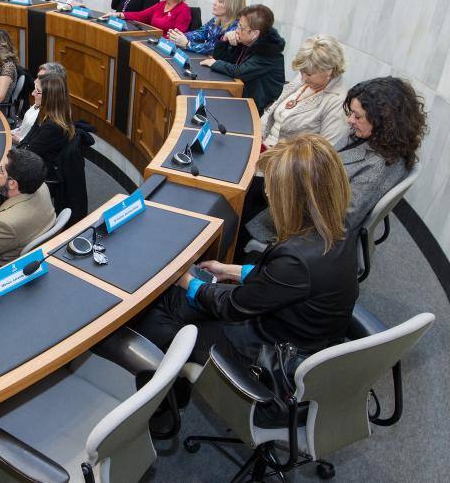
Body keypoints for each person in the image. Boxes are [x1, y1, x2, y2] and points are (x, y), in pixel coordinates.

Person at [138, 134, 359, 369]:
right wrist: (231, 271)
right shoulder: (339, 226)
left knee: (154, 318)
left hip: (268, 350)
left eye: (272, 189)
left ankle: (170, 391)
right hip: (298, 329)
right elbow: (284, 283)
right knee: (184, 298)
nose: (268, 195)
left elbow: (233, 307)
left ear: (293, 199)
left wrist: (186, 280)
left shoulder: (295, 259)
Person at [246, 77, 428, 244]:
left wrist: (291, 189)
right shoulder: (369, 136)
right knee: (252, 189)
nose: (349, 120)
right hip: (307, 196)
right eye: (351, 113)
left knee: (244, 205)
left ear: (384, 120)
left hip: (307, 223)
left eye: (357, 116)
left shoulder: (381, 167)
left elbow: (342, 220)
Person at [0, 148, 56, 268]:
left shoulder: (6, 223)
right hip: (29, 235)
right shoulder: (42, 186)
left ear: (13, 183)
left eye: (0, 171)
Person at [260, 35, 348, 149]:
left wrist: (271, 154)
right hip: (263, 144)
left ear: (329, 70)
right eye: (301, 71)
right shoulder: (306, 76)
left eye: (309, 74)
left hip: (285, 161)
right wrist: (256, 135)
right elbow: (271, 111)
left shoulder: (338, 102)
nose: (303, 78)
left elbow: (325, 152)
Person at [200, 4, 285, 114]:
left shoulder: (268, 53)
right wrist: (224, 39)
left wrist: (215, 64)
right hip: (240, 95)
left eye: (241, 27)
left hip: (257, 109)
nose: (237, 30)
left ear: (254, 33)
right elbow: (221, 58)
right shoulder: (245, 41)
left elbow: (240, 71)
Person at [18, 73, 75, 184]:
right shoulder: (45, 112)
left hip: (40, 169)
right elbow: (29, 138)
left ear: (50, 97)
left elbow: (29, 153)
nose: (33, 93)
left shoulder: (52, 127)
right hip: (35, 157)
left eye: (37, 91)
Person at [169, 0, 245, 55]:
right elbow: (199, 33)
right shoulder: (215, 20)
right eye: (216, 0)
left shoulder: (236, 28)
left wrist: (187, 44)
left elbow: (213, 49)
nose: (214, 3)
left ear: (232, 6)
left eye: (220, 1)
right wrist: (178, 36)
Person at [12, 62, 67, 143]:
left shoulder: (51, 123)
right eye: (38, 76)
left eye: (41, 77)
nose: (36, 80)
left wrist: (18, 140)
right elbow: (24, 128)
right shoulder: (41, 101)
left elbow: (33, 147)